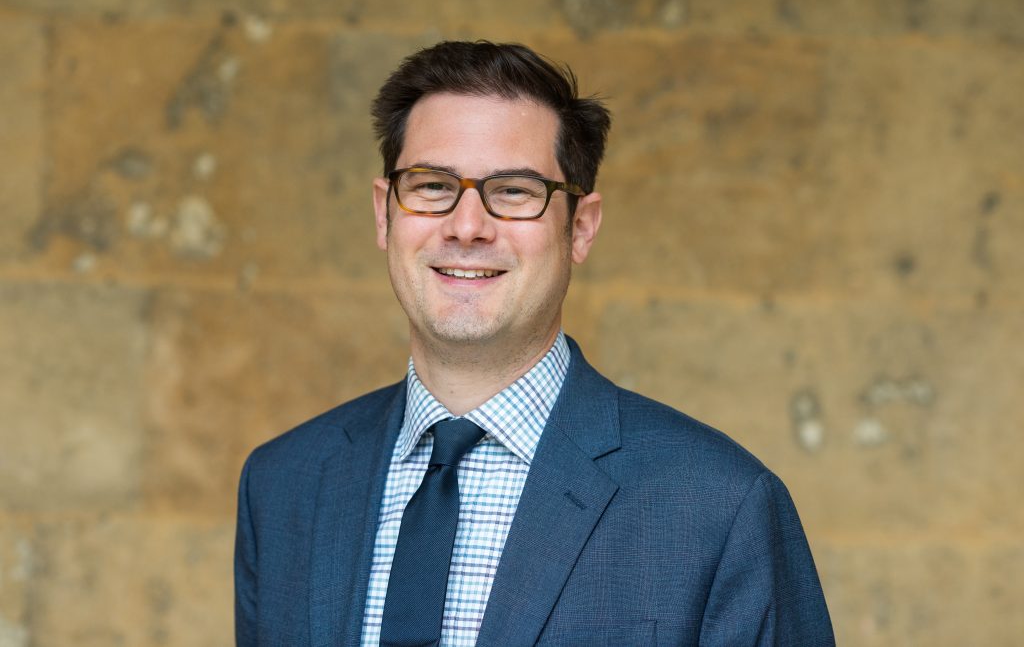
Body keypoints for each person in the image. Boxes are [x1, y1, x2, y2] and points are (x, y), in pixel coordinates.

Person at [234, 40, 835, 647]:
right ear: (385, 215)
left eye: (515, 191)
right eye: (432, 185)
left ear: (580, 227)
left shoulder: (720, 506)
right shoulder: (284, 484)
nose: (466, 227)